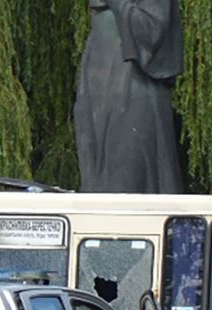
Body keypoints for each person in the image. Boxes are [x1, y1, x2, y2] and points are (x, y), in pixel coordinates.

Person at [74, 0, 185, 194]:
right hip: (99, 86)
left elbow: (152, 29)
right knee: (99, 175)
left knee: (130, 168)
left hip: (134, 85)